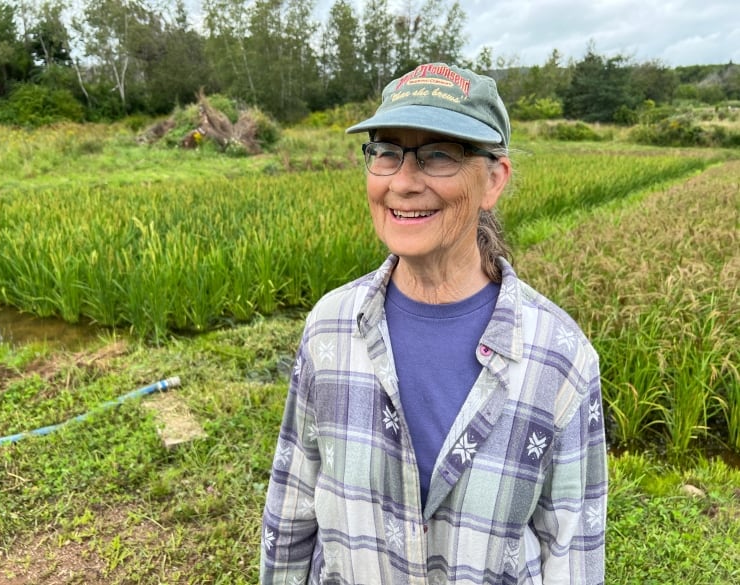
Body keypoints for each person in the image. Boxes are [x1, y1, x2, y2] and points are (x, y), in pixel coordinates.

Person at [260, 62, 607, 585]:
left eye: (439, 155)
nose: (403, 181)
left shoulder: (558, 358)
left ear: (494, 178)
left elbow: (573, 550)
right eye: (386, 152)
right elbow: (292, 503)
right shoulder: (330, 328)